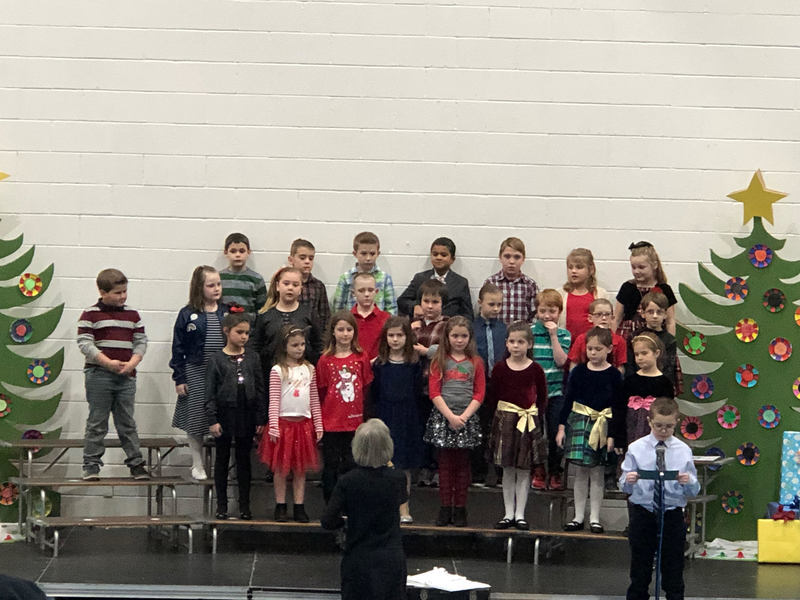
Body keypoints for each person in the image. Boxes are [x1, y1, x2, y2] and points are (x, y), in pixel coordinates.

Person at [620, 397, 700, 600]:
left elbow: (694, 491)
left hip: (672, 513)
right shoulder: (636, 448)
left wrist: (688, 482)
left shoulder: (683, 450)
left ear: (676, 422)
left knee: (674, 568)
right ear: (649, 422)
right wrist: (628, 480)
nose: (663, 431)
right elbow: (624, 486)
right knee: (640, 567)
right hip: (643, 512)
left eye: (669, 426)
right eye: (658, 426)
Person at [321, 419, 408, 600]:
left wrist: (344, 522)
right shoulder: (398, 478)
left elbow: (327, 520)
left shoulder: (348, 481)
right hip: (391, 557)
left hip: (358, 557)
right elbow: (401, 499)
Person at [77, 268, 149, 480]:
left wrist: (133, 363)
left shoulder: (133, 315)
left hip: (126, 376)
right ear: (102, 292)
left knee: (127, 423)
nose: (123, 296)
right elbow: (85, 343)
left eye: (125, 291)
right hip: (99, 374)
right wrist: (107, 362)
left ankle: (136, 464)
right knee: (97, 422)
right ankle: (91, 465)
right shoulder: (90, 314)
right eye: (118, 293)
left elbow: (140, 341)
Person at [557, 327, 624, 533]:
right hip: (580, 421)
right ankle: (578, 516)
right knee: (580, 472)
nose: (593, 353)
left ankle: (595, 517)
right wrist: (561, 427)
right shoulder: (578, 371)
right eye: (590, 349)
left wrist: (613, 435)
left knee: (597, 472)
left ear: (609, 349)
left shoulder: (614, 375)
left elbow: (618, 406)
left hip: (602, 424)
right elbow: (568, 399)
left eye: (598, 349)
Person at [423, 316, 485, 527]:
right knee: (445, 465)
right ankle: (444, 507)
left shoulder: (476, 362)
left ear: (470, 337)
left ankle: (460, 508)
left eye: (463, 336)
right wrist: (450, 416)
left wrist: (464, 417)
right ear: (447, 337)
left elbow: (479, 393)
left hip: (466, 418)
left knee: (462, 466)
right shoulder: (439, 360)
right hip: (444, 418)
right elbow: (434, 391)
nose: (459, 340)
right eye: (455, 336)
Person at [258, 324, 323, 523]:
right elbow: (274, 400)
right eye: (295, 345)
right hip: (283, 425)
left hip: (303, 426)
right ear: (284, 346)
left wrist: (318, 424)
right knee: (281, 469)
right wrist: (273, 425)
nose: (299, 348)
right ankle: (280, 505)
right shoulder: (278, 370)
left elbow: (314, 399)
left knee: (300, 469)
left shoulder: (309, 369)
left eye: (302, 344)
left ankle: (299, 506)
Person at [205, 313, 266, 520]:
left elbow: (260, 389)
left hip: (246, 413)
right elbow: (209, 392)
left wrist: (260, 417)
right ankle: (221, 506)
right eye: (239, 332)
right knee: (222, 459)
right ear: (226, 331)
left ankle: (245, 506)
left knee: (244, 460)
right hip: (224, 413)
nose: (244, 337)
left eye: (247, 333)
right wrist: (212, 419)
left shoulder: (253, 357)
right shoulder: (216, 359)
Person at [170, 265, 228, 481]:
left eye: (219, 284)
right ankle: (197, 462)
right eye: (211, 285)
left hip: (222, 371)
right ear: (199, 287)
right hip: (196, 369)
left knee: (221, 414)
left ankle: (221, 464)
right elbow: (178, 348)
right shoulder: (187, 314)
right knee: (196, 415)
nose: (216, 289)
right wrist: (179, 377)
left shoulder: (227, 312)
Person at [488, 322, 547, 531]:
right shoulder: (500, 368)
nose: (516, 346)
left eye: (521, 342)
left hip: (527, 422)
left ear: (529, 344)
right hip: (505, 420)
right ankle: (508, 513)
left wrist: (536, 418)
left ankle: (520, 514)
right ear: (506, 343)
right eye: (512, 341)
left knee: (524, 469)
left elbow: (542, 397)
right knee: (508, 469)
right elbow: (493, 395)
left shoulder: (536, 369)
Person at [371, 316, 424, 523]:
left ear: (407, 337)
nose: (395, 339)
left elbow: (417, 391)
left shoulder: (413, 364)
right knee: (383, 462)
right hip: (385, 415)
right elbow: (375, 393)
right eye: (391, 335)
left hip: (407, 416)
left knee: (403, 464)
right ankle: (383, 507)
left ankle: (404, 507)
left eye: (399, 335)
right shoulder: (379, 364)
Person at [316, 310, 374, 502]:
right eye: (340, 329)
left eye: (349, 329)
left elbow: (365, 387)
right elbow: (322, 391)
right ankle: (331, 505)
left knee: (352, 463)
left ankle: (351, 504)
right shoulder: (325, 360)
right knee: (331, 465)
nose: (345, 334)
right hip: (331, 423)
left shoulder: (361, 357)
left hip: (354, 422)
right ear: (333, 332)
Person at [531, 289, 571, 490]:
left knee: (556, 433)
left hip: (556, 393)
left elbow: (561, 361)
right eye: (543, 311)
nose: (547, 316)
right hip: (533, 394)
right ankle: (538, 469)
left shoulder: (564, 335)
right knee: (536, 434)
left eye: (552, 311)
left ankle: (555, 471)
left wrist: (554, 336)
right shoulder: (529, 333)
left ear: (559, 312)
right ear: (537, 311)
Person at [251, 266, 323, 371]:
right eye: (286, 283)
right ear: (277, 286)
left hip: (303, 373)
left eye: (295, 285)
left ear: (301, 289)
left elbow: (318, 345)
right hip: (270, 372)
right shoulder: (265, 315)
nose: (290, 288)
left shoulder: (309, 313)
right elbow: (256, 347)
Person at [472, 282, 507, 486]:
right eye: (491, 304)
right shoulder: (471, 328)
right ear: (480, 302)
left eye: (499, 305)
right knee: (479, 426)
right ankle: (478, 471)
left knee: (500, 428)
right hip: (478, 384)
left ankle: (500, 472)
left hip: (499, 385)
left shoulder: (503, 329)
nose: (495, 309)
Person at [613, 241, 677, 340]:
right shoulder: (627, 287)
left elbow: (670, 322)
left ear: (654, 265)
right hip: (629, 338)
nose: (636, 271)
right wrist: (612, 341)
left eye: (641, 267)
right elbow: (616, 318)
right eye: (633, 267)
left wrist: (670, 343)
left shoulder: (665, 289)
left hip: (656, 338)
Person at [398, 237, 473, 319]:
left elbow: (468, 314)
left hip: (449, 325)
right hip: (422, 324)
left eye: (443, 255)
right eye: (435, 254)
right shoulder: (420, 278)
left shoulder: (461, 283)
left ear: (452, 259)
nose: (438, 257)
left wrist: (456, 324)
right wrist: (414, 307)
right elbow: (402, 301)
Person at [621, 332, 674, 448]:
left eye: (644, 353)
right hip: (631, 432)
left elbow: (669, 413)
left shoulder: (665, 383)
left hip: (655, 433)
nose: (640, 358)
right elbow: (620, 410)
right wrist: (618, 438)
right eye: (636, 354)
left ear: (656, 353)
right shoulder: (629, 381)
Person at [626, 292, 682, 395]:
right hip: (637, 387)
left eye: (659, 312)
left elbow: (668, 368)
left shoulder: (670, 340)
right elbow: (630, 365)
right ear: (643, 313)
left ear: (665, 314)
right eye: (650, 312)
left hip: (660, 388)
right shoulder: (634, 337)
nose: (655, 316)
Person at [332, 231, 397, 314]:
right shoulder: (346, 278)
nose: (368, 258)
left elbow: (391, 308)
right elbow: (338, 308)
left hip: (379, 321)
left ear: (378, 254)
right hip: (352, 321)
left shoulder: (385, 278)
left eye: (372, 254)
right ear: (355, 254)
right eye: (363, 253)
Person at [484, 237, 539, 325]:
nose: (512, 261)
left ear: (523, 259)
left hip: (523, 332)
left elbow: (535, 315)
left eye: (517, 257)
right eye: (507, 256)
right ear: (500, 257)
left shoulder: (530, 285)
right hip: (496, 332)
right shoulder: (491, 283)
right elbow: (484, 313)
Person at [558, 248, 607, 344]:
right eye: (570, 267)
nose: (573, 271)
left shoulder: (600, 294)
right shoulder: (560, 294)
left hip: (592, 345)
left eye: (579, 267)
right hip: (566, 345)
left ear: (591, 270)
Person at [568, 298, 627, 373]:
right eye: (598, 314)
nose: (604, 318)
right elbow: (574, 363)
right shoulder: (581, 339)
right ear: (590, 318)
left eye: (607, 314)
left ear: (612, 318)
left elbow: (620, 367)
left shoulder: (619, 341)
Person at [219, 232, 267, 320]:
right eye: (233, 251)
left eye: (242, 251)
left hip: (249, 327)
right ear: (226, 252)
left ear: (248, 252)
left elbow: (262, 309)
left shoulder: (257, 279)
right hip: (223, 325)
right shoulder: (219, 278)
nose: (238, 255)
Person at [288, 238, 331, 330]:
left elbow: (325, 317)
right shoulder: (284, 285)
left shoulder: (319, 286)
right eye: (302, 258)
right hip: (288, 332)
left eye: (311, 258)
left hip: (312, 333)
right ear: (291, 260)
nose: (307, 261)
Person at [350, 271, 390, 360]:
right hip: (352, 365)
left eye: (370, 290)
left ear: (376, 291)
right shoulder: (347, 319)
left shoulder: (386, 318)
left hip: (378, 366)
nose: (366, 294)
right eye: (361, 290)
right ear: (353, 293)